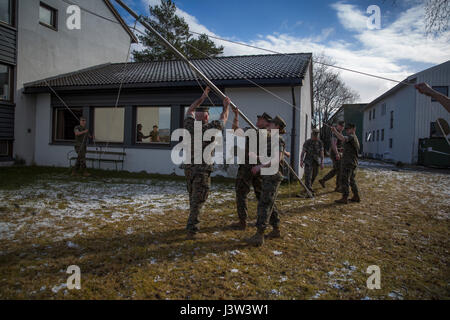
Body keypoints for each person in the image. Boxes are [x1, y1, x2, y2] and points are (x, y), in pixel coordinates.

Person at [184, 87, 230, 239]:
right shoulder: (210, 128)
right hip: (202, 172)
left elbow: (190, 110)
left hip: (189, 170)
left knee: (193, 198)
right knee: (198, 200)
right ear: (206, 118)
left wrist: (202, 98)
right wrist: (226, 107)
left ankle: (190, 225)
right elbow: (224, 118)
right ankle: (192, 230)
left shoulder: (190, 126)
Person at [232, 110, 280, 231]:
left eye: (260, 119)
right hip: (252, 167)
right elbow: (235, 130)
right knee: (255, 195)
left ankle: (272, 223)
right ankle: (244, 221)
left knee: (260, 195)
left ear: (267, 122)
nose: (257, 120)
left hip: (256, 168)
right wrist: (236, 116)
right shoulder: (252, 130)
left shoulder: (268, 135)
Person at [246, 115, 287, 246]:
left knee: (264, 204)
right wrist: (257, 156)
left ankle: (259, 235)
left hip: (273, 176)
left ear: (277, 127)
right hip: (268, 176)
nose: (268, 126)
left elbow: (277, 159)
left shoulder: (278, 140)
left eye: (271, 124)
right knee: (270, 203)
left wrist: (260, 166)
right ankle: (276, 229)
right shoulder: (272, 139)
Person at [332, 123, 360, 204]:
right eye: (346, 129)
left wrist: (335, 131)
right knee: (351, 180)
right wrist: (342, 150)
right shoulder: (353, 138)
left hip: (348, 162)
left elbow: (343, 138)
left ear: (353, 129)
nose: (347, 130)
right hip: (351, 162)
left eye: (349, 129)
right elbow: (350, 149)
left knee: (345, 180)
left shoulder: (352, 136)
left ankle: (344, 197)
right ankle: (356, 196)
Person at [319, 121, 345, 192]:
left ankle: (323, 180)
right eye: (341, 126)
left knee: (336, 169)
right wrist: (337, 154)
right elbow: (334, 145)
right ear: (338, 126)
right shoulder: (335, 134)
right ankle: (338, 187)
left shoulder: (339, 133)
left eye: (343, 126)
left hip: (338, 152)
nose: (342, 127)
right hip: (334, 153)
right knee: (339, 169)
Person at [300, 129, 324, 197]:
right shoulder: (307, 142)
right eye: (315, 135)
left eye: (317, 135)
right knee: (308, 176)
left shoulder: (320, 142)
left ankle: (308, 186)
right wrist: (301, 160)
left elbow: (322, 152)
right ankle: (308, 189)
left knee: (315, 174)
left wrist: (322, 163)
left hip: (316, 161)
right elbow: (303, 152)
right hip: (308, 161)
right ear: (312, 135)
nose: (316, 136)